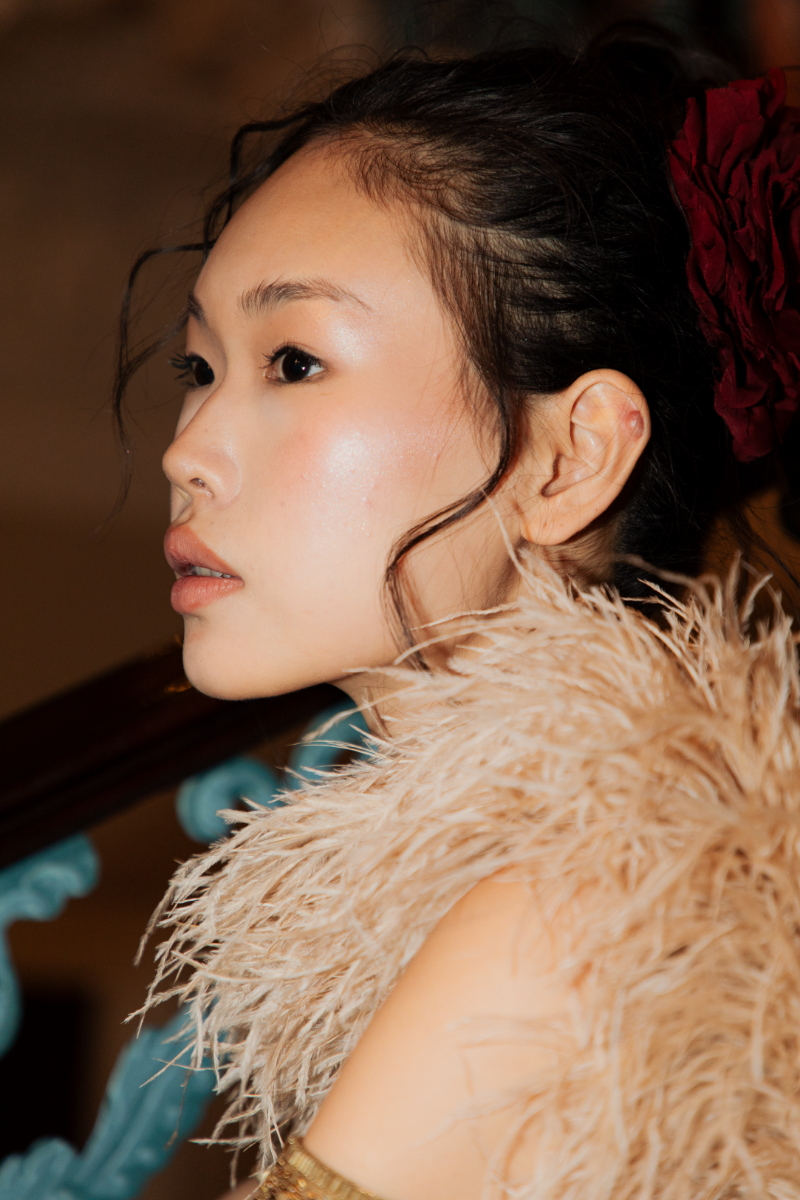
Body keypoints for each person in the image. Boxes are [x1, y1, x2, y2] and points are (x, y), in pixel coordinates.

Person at [127, 21, 800, 1200]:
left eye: (293, 361)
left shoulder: (566, 917)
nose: (187, 452)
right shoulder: (608, 874)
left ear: (567, 458)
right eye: (200, 368)